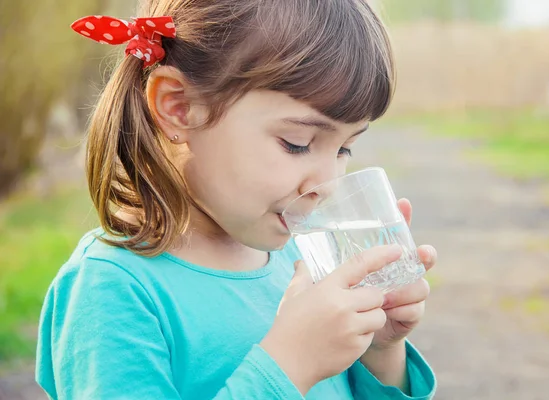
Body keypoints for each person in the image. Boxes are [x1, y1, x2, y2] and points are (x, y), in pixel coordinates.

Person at [36, 0, 438, 398]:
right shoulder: (113, 289)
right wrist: (289, 364)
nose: (329, 183)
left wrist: (380, 350)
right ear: (179, 107)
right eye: (296, 143)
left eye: (344, 149)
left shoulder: (301, 262)